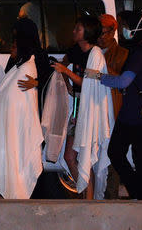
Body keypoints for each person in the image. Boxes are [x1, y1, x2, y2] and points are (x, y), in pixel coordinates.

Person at [87, 10, 142, 200]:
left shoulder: (140, 51)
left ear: (136, 27)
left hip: (138, 115)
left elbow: (123, 81)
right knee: (120, 154)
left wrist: (99, 76)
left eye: (126, 26)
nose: (124, 30)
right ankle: (140, 195)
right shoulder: (138, 49)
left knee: (138, 159)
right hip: (130, 114)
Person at [0, 17, 44, 199]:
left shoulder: (37, 57)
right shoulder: (18, 59)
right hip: (9, 122)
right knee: (7, 154)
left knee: (22, 155)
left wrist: (38, 82)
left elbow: (51, 81)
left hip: (26, 118)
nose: (13, 43)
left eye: (17, 37)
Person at [51, 15, 102, 199]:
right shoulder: (75, 50)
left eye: (78, 29)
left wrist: (66, 73)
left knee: (85, 155)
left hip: (90, 107)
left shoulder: (95, 54)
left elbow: (89, 83)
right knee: (69, 156)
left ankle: (89, 198)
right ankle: (85, 192)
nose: (74, 31)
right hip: (79, 103)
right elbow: (63, 65)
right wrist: (68, 84)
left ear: (87, 32)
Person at [97, 14, 129, 199]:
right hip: (97, 110)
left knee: (112, 157)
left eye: (103, 33)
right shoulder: (93, 51)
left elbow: (120, 80)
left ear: (113, 32)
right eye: (98, 33)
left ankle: (110, 198)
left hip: (113, 112)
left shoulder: (122, 54)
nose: (100, 37)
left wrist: (99, 71)